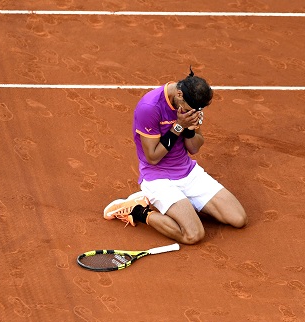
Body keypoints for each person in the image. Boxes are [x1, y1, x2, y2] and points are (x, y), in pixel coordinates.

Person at [103, 67, 247, 244]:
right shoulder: (149, 107)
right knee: (193, 235)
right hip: (158, 178)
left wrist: (188, 129)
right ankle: (137, 210)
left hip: (188, 172)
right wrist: (178, 126)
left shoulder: (190, 105)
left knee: (238, 219)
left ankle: (185, 204)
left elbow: (194, 148)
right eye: (191, 109)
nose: (193, 112)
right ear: (179, 94)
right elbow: (153, 157)